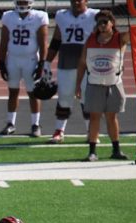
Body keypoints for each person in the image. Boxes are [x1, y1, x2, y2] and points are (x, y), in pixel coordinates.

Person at [75, 10, 126, 162]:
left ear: (112, 23)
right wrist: (78, 85)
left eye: (105, 22)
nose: (102, 25)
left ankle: (116, 149)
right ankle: (92, 152)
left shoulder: (119, 38)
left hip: (114, 83)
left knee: (112, 117)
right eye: (99, 22)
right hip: (94, 83)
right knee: (94, 116)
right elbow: (83, 63)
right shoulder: (90, 40)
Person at [46, 0, 95, 143]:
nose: (76, 2)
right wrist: (47, 62)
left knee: (87, 97)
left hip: (87, 62)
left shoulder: (94, 15)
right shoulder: (62, 15)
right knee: (64, 96)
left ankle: (91, 131)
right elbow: (56, 40)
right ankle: (59, 130)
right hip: (66, 61)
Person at [0, 0, 48, 137]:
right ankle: (10, 123)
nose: (22, 3)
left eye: (25, 1)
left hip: (31, 59)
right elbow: (4, 41)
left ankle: (35, 124)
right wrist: (2, 62)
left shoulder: (40, 16)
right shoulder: (8, 16)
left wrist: (42, 63)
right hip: (12, 59)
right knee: (13, 91)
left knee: (33, 93)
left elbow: (43, 43)